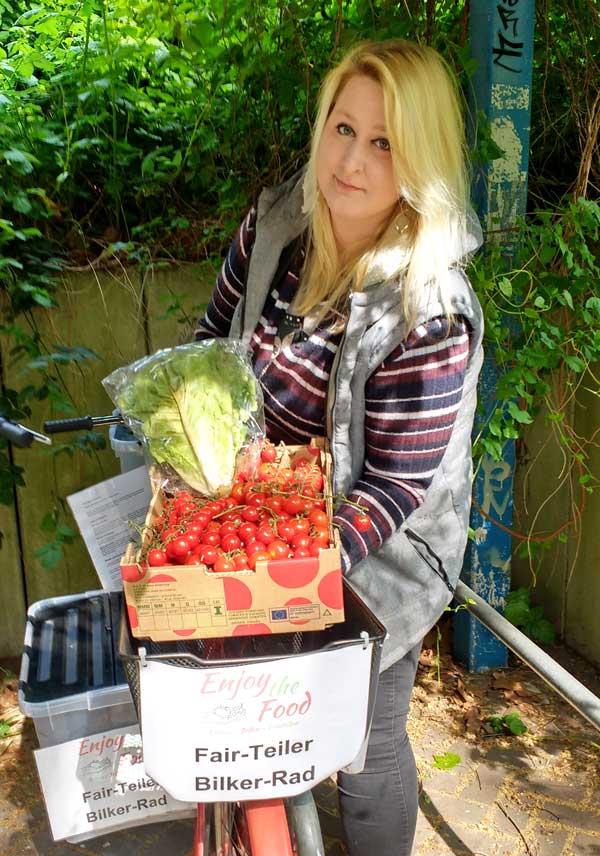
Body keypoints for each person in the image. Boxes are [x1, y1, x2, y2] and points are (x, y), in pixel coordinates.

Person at [195, 39, 484, 856]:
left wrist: (288, 571)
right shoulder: (280, 227)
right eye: (342, 128)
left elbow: (391, 490)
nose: (351, 160)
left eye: (385, 142)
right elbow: (213, 339)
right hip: (261, 523)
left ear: (419, 158)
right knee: (263, 718)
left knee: (364, 743)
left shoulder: (427, 306)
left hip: (379, 559)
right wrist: (193, 437)